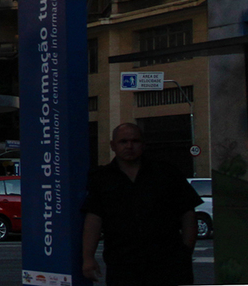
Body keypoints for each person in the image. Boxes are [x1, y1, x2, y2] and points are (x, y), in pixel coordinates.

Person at [81, 121, 200, 285]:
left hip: (168, 264)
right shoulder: (101, 178)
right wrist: (88, 258)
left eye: (135, 141)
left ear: (143, 144)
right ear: (113, 145)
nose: (129, 146)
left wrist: (186, 251)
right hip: (122, 265)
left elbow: (188, 213)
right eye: (123, 141)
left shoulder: (166, 173)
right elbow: (94, 218)